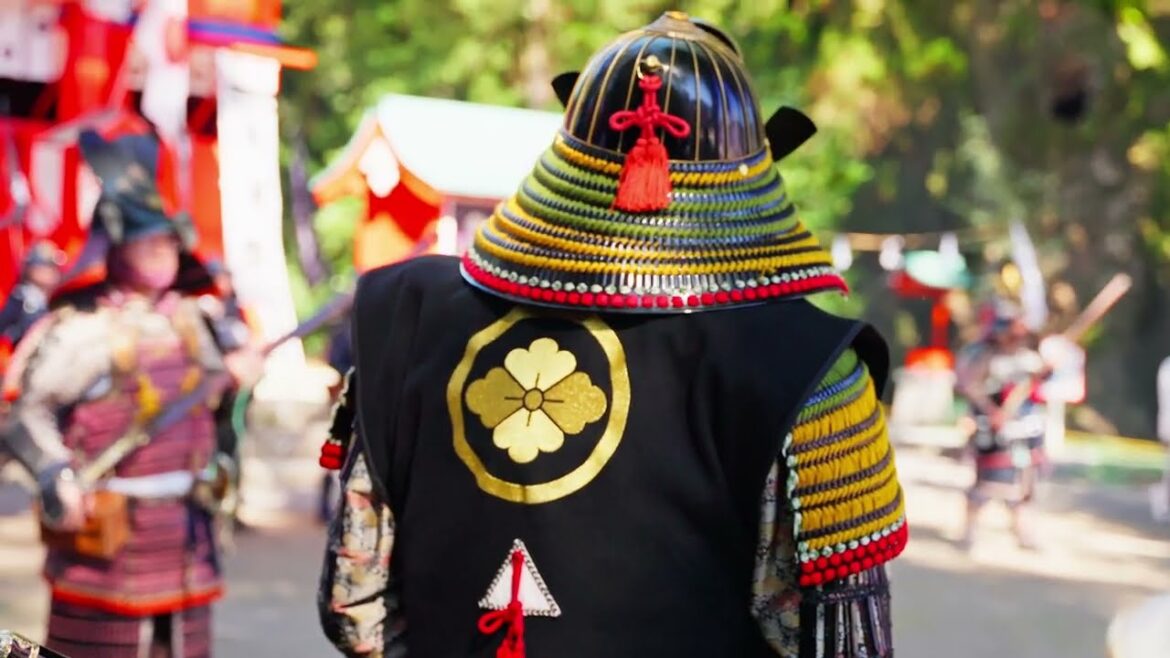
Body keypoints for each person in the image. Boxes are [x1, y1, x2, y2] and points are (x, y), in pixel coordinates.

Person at [318, 12, 906, 658]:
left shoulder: (405, 317)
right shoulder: (809, 371)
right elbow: (837, 643)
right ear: (753, 167)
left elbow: (353, 605)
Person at [1, 125, 261, 658]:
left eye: (168, 240)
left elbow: (210, 402)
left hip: (186, 532)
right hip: (108, 536)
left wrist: (236, 378)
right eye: (149, 241)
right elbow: (26, 410)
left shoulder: (191, 317)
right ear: (115, 248)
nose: (164, 252)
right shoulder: (82, 326)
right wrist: (55, 475)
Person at [955, 300, 1050, 549]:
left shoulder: (1030, 358)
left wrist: (1046, 368)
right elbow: (970, 385)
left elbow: (1039, 381)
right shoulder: (984, 357)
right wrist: (991, 411)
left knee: (1025, 483)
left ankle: (1023, 531)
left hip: (1023, 430)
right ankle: (969, 531)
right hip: (992, 428)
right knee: (984, 484)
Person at [0, 241, 63, 353]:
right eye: (46, 265)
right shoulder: (18, 302)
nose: (52, 271)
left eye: (54, 266)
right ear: (30, 268)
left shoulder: (50, 304)